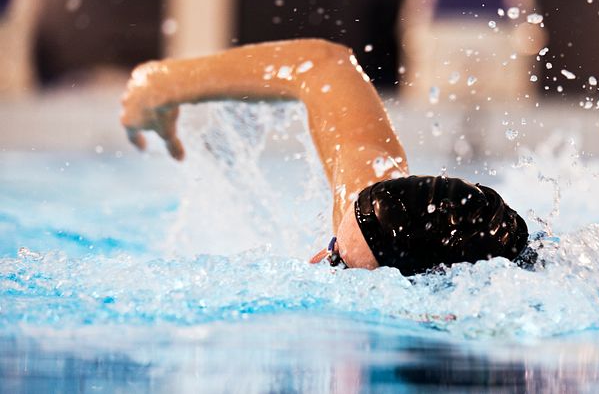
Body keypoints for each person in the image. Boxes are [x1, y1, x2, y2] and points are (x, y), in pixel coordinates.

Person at [120, 39, 531, 276]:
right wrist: (161, 83)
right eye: (334, 244)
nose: (318, 260)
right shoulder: (371, 208)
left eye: (338, 262)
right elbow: (323, 65)